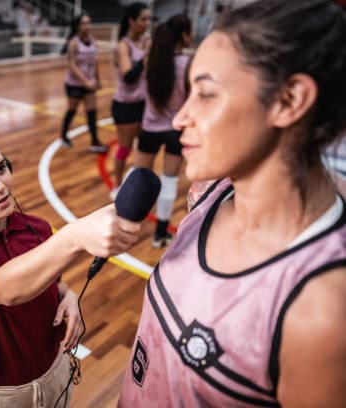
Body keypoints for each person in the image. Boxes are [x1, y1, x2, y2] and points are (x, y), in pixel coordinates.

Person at [119, 0, 346, 406]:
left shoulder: (323, 312)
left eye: (205, 94)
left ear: (289, 100)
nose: (180, 118)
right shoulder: (208, 192)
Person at [0, 127, 141, 406]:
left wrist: (66, 294)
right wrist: (74, 235)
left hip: (55, 373)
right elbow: (4, 288)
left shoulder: (36, 227)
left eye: (1, 169)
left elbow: (49, 281)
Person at [132, 14, 192, 248]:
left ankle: (122, 221)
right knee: (169, 181)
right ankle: (159, 235)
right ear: (184, 35)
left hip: (149, 127)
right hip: (175, 129)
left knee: (138, 175)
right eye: (190, 32)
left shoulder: (151, 59)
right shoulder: (187, 64)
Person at [109, 2, 152, 200]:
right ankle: (117, 185)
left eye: (149, 19)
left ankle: (138, 183)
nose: (147, 23)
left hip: (143, 104)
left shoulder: (145, 42)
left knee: (143, 147)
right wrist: (145, 57)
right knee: (125, 148)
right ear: (131, 21)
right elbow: (129, 76)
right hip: (125, 105)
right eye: (143, 19)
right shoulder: (123, 46)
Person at [60, 14, 108, 153]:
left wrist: (97, 80)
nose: (88, 26)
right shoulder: (73, 42)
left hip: (89, 84)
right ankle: (63, 135)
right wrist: (85, 81)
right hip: (74, 84)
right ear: (77, 26)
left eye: (89, 23)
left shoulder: (92, 41)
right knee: (72, 110)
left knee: (92, 112)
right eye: (84, 24)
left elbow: (95, 62)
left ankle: (94, 141)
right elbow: (72, 65)